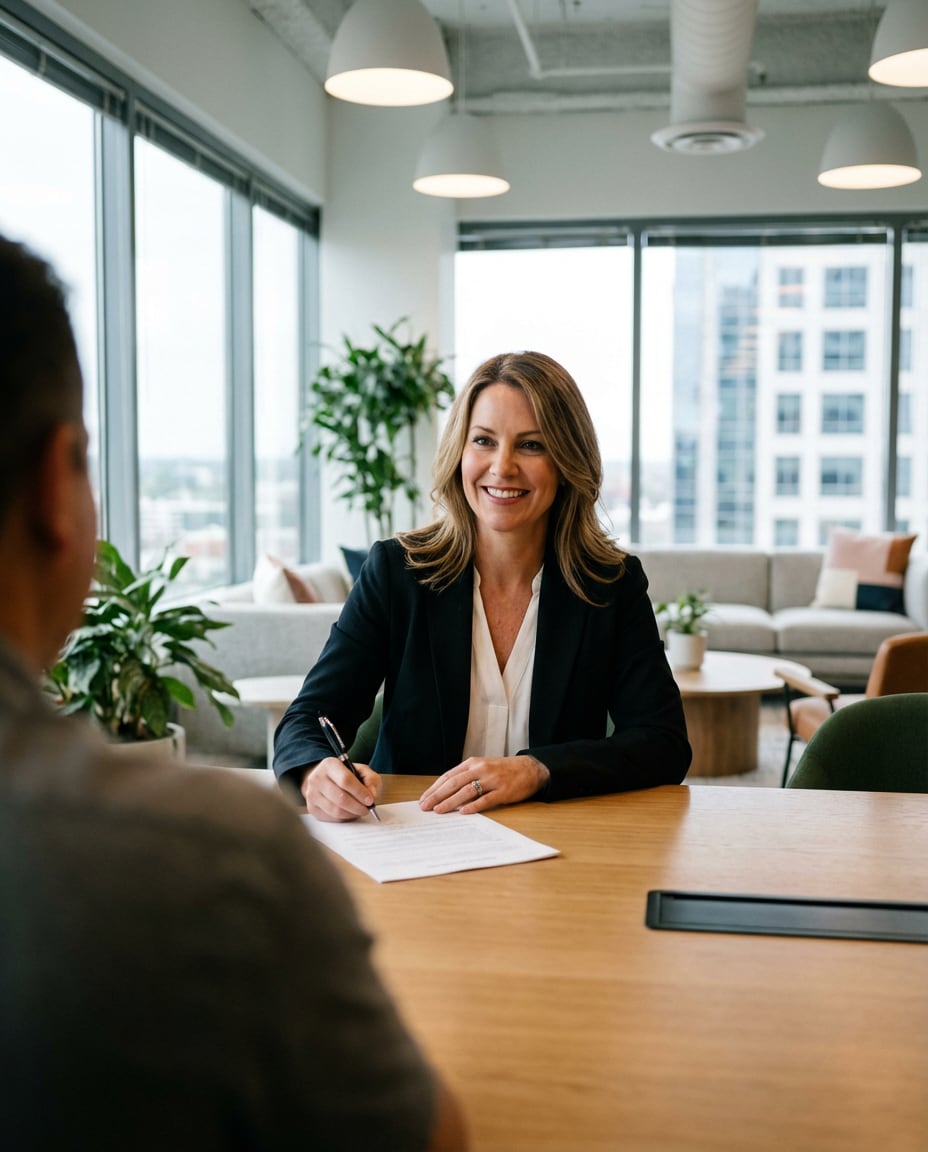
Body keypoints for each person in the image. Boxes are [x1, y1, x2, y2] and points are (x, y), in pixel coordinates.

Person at [0, 233, 467, 1151]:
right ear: (60, 486)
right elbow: (425, 1136)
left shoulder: (607, 585)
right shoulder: (213, 858)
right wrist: (318, 768)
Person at [275, 351, 691, 821]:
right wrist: (317, 773)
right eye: (484, 441)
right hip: (413, 840)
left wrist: (536, 770)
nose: (503, 466)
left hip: (559, 844)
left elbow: (664, 743)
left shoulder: (610, 585)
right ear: (459, 453)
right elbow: (307, 719)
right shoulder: (396, 573)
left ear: (566, 461)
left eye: (531, 445)